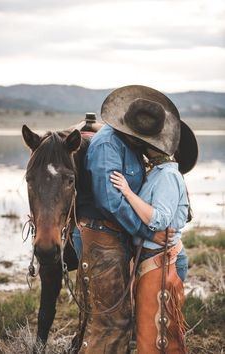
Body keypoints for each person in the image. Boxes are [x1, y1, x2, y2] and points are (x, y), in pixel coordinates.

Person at [73, 85, 177, 354]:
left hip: (113, 239)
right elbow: (110, 201)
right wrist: (147, 230)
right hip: (101, 239)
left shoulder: (128, 145)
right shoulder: (108, 145)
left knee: (113, 319)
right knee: (111, 321)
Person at [107, 92, 198, 354]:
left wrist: (127, 192)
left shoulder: (168, 176)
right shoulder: (158, 172)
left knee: (159, 337)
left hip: (162, 260)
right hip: (153, 258)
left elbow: (158, 219)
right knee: (153, 334)